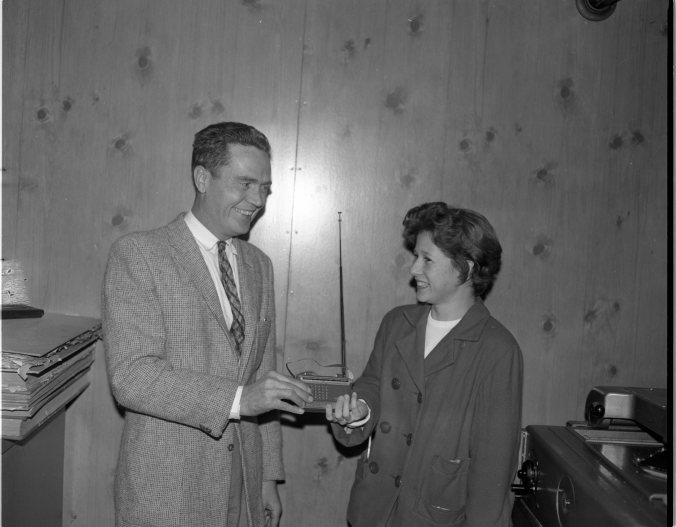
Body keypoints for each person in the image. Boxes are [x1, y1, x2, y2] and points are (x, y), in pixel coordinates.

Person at [102, 121, 313, 527]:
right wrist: (238, 401)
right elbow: (131, 376)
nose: (258, 200)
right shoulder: (139, 254)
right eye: (245, 184)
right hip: (168, 489)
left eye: (264, 188)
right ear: (202, 178)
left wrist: (267, 476)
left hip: (243, 481)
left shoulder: (259, 266)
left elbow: (262, 376)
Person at [326, 202, 523, 527]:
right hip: (375, 508)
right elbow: (372, 384)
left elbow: (493, 466)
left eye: (427, 259)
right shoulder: (396, 323)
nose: (414, 269)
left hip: (436, 514)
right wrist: (359, 411)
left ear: (465, 268)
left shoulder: (498, 350)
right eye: (416, 256)